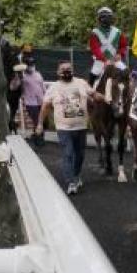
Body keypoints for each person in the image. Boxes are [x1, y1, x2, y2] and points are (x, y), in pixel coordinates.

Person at [36, 61, 103, 195]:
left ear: (73, 70)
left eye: (69, 68)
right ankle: (71, 182)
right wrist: (39, 124)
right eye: (63, 69)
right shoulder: (53, 88)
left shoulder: (81, 83)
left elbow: (93, 94)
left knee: (80, 155)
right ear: (58, 72)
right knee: (68, 153)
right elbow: (45, 107)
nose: (66, 71)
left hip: (81, 127)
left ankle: (76, 176)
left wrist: (103, 98)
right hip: (63, 128)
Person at [88, 6, 130, 87]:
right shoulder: (95, 33)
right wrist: (105, 60)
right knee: (93, 74)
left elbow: (123, 46)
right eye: (104, 17)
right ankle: (89, 95)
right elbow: (95, 49)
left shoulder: (118, 32)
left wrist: (119, 54)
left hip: (115, 60)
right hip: (100, 61)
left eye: (108, 17)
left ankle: (129, 96)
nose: (106, 19)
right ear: (100, 19)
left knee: (125, 72)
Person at [20, 55, 46, 145]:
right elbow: (16, 85)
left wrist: (46, 97)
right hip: (31, 102)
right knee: (37, 120)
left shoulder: (38, 74)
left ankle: (37, 136)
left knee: (42, 120)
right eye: (29, 64)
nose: (31, 66)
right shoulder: (22, 76)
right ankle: (38, 140)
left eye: (32, 64)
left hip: (41, 101)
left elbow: (42, 86)